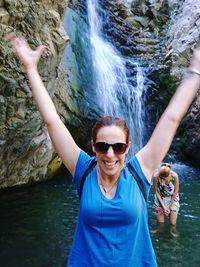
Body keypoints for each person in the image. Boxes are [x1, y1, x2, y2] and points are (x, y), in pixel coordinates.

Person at [6, 32, 200, 266]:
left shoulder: (139, 172)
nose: (110, 154)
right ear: (93, 146)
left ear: (127, 148)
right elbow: (52, 121)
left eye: (118, 147)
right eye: (102, 146)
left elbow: (171, 118)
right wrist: (31, 69)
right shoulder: (84, 170)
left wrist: (195, 72)